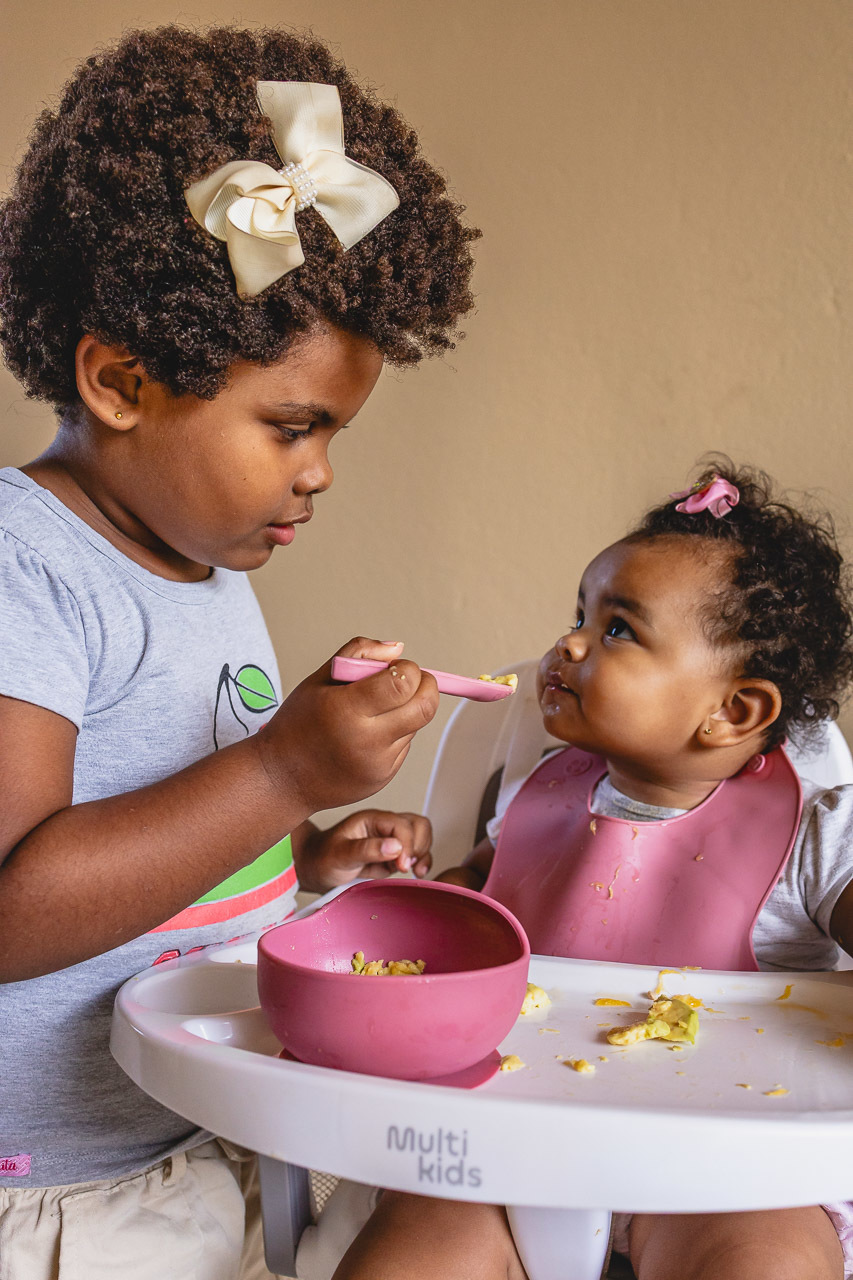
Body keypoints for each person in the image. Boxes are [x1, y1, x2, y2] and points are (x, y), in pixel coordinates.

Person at [0, 25, 478, 1279]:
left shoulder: (202, 567)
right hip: (67, 1195)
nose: (319, 472)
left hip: (202, 1135)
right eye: (291, 424)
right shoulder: (23, 564)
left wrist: (305, 852)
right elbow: (10, 905)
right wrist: (279, 774)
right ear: (121, 378)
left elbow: (156, 831)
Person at [324, 462, 853, 1280]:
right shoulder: (539, 791)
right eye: (578, 613)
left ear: (733, 712)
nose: (565, 643)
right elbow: (491, 900)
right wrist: (414, 884)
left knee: (770, 1264)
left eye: (617, 630)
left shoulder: (814, 831)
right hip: (507, 1137)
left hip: (733, 1157)